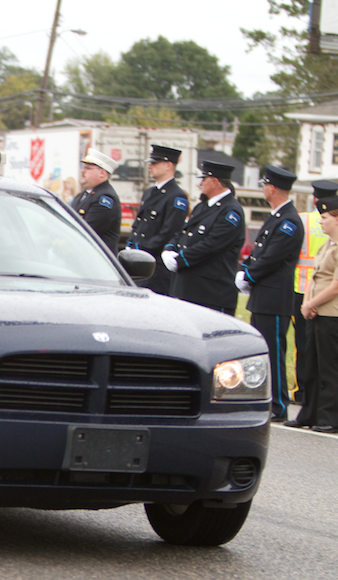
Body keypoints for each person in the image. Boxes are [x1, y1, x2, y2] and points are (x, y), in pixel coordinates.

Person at [284, 195, 338, 433]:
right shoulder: (328, 245)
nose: (320, 222)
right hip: (316, 310)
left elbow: (337, 286)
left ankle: (330, 418)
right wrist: (307, 302)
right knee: (312, 365)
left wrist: (309, 304)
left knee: (331, 368)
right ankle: (309, 413)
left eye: (324, 218)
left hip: (333, 315)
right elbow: (315, 278)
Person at [236, 165, 303, 422]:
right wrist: (245, 269)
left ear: (272, 188)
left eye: (265, 185)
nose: (263, 189)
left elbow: (273, 257)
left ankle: (279, 405)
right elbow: (258, 252)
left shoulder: (289, 221)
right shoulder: (276, 217)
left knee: (273, 353)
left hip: (275, 298)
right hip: (263, 295)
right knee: (261, 352)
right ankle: (264, 399)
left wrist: (250, 275)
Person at [162, 160, 246, 316]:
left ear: (215, 182)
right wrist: (170, 248)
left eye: (204, 179)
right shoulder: (202, 206)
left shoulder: (231, 212)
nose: (200, 184)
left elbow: (212, 245)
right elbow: (183, 232)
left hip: (211, 293)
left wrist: (180, 260)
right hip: (188, 289)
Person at [291, 180, 338, 405]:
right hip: (330, 293)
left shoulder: (303, 219)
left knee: (302, 345)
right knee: (324, 349)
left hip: (301, 290)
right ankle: (319, 393)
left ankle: (302, 391)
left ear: (314, 199)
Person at [126, 144, 189, 294]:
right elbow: (139, 224)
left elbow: (169, 233)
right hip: (139, 263)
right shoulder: (150, 192)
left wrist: (140, 249)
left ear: (168, 165)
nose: (150, 166)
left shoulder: (177, 196)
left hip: (156, 266)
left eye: (155, 163)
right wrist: (130, 245)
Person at [70, 148, 122, 253]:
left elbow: (87, 231)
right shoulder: (83, 195)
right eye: (83, 167)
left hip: (96, 260)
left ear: (102, 173)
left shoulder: (105, 198)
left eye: (87, 168)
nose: (82, 171)